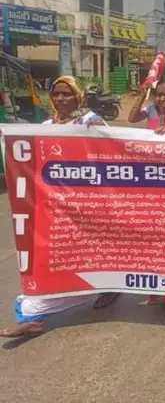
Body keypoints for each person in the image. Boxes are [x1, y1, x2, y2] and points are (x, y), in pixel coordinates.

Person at [1, 76, 120, 338]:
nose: (61, 99)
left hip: (88, 202)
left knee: (94, 250)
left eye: (67, 94)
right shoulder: (47, 126)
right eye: (56, 94)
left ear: (78, 96)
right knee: (57, 255)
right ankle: (38, 310)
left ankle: (107, 286)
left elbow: (112, 150)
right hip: (57, 206)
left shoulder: (90, 122)